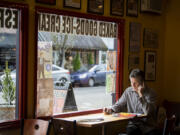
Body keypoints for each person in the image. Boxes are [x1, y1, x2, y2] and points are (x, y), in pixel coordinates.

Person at [104, 68, 159, 135]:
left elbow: (147, 112)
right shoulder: (128, 91)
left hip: (148, 127)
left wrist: (141, 95)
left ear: (142, 83)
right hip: (134, 125)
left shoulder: (151, 93)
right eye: (131, 82)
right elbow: (119, 104)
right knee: (131, 131)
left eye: (135, 83)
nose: (132, 85)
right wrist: (111, 109)